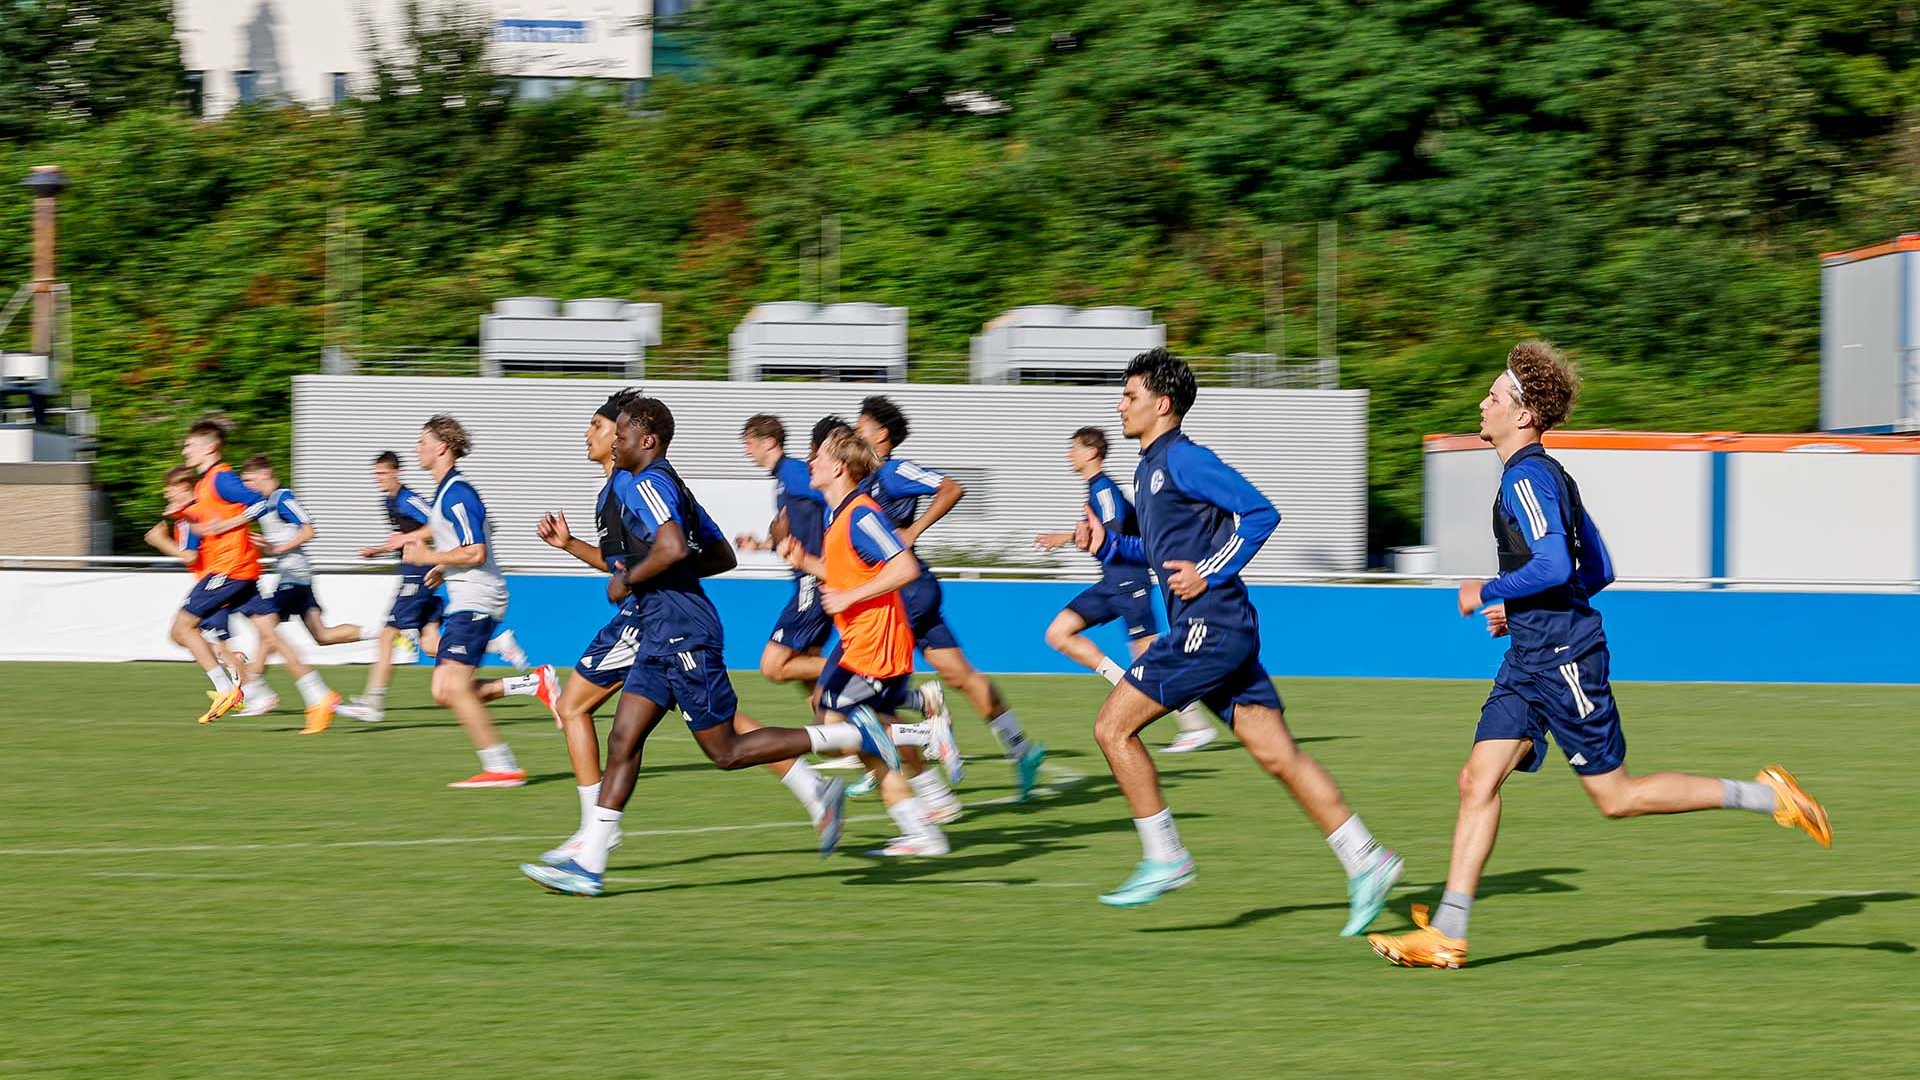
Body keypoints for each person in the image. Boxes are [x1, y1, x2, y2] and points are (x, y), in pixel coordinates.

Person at [1366, 342, 1832, 969]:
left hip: (1563, 659)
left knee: (1618, 797)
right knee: (1477, 779)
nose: (1484, 403)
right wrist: (1522, 607)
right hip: (1531, 655)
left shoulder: (1528, 477)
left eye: (1495, 397)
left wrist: (1489, 590)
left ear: (1524, 413)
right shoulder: (1548, 475)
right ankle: (1448, 933)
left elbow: (1557, 563)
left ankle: (1767, 797)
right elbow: (1599, 568)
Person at [522, 396, 925, 897]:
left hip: (684, 633)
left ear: (646, 441)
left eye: (621, 434)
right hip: (658, 630)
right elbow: (717, 554)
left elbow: (670, 549)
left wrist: (630, 582)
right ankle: (592, 860)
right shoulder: (667, 483)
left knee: (726, 751)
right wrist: (649, 579)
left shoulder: (647, 481)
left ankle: (851, 739)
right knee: (624, 739)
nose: (615, 442)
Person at [1074, 348, 1403, 924]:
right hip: (1221, 631)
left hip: (1211, 626)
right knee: (1278, 754)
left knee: (1111, 727)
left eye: (1130, 396)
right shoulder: (1147, 467)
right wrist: (1105, 545)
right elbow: (1161, 554)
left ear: (1163, 404)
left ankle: (1166, 855)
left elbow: (1260, 513)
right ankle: (1366, 858)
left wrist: (1211, 571)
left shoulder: (1185, 459)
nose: (1120, 405)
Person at [779, 426, 964, 856]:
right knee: (867, 747)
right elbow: (847, 575)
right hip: (861, 640)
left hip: (875, 645)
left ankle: (926, 731)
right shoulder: (837, 516)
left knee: (834, 722)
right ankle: (922, 832)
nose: (811, 463)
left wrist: (848, 596)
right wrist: (804, 560)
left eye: (819, 457)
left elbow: (904, 569)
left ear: (838, 467)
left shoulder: (861, 514)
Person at [855, 394, 1046, 800]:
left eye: (861, 427)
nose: (856, 432)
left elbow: (952, 487)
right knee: (962, 676)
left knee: (867, 686)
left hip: (905, 591)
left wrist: (914, 530)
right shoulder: (868, 479)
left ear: (881, 434)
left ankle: (904, 740)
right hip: (911, 588)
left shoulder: (894, 471)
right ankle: (1021, 748)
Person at [1035, 425, 1218, 753]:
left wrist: (1081, 538)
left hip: (1129, 583)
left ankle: (1195, 725)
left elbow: (1111, 531)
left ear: (1092, 452)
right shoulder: (1096, 490)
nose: (1069, 454)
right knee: (1058, 633)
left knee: (1151, 659)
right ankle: (1125, 684)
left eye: (1074, 448)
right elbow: (1103, 532)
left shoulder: (1103, 490)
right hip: (1110, 584)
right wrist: (1065, 537)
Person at [337, 451, 532, 723]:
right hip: (420, 573)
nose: (378, 478)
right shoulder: (389, 501)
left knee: (387, 635)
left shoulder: (408, 499)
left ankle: (374, 701)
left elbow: (437, 522)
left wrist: (434, 560)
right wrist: (379, 550)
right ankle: (499, 647)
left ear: (396, 473)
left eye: (382, 473)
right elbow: (406, 539)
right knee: (430, 645)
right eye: (375, 474)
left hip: (419, 576)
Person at [174, 418, 340, 733]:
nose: (185, 450)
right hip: (243, 571)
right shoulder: (204, 484)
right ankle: (319, 695)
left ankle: (226, 689)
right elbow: (209, 524)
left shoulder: (221, 478)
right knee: (271, 636)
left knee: (182, 629)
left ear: (209, 447)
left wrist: (229, 524)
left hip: (229, 570)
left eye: (190, 445)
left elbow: (262, 502)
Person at [399, 415, 541, 785]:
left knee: (455, 687)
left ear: (441, 447)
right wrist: (442, 569)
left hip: (478, 599)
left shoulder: (458, 492)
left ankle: (504, 766)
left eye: (422, 441)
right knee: (443, 691)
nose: (417, 448)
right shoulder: (445, 493)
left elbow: (476, 551)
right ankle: (529, 684)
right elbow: (463, 547)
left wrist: (427, 558)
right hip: (467, 597)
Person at [232, 455, 374, 715]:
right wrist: (266, 545)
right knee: (322, 636)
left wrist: (277, 548)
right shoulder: (265, 503)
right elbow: (278, 536)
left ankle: (255, 691)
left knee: (267, 632)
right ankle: (384, 632)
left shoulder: (283, 497)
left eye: (249, 481)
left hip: (292, 578)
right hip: (297, 577)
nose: (247, 487)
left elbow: (309, 531)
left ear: (265, 474)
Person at [735, 413, 833, 695]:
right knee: (815, 693)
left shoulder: (793, 472)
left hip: (812, 581)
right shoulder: (781, 480)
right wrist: (762, 544)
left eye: (749, 443)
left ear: (769, 442)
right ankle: (909, 719)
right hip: (809, 579)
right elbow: (797, 533)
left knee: (773, 666)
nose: (746, 450)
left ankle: (864, 670)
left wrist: (830, 555)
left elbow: (834, 502)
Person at [145, 466, 247, 690]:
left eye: (169, 488)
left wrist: (159, 541)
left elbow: (190, 556)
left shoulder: (191, 515)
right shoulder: (189, 514)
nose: (166, 494)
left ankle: (246, 694)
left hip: (217, 585)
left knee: (184, 634)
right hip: (216, 584)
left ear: (183, 487)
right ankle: (245, 691)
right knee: (190, 639)